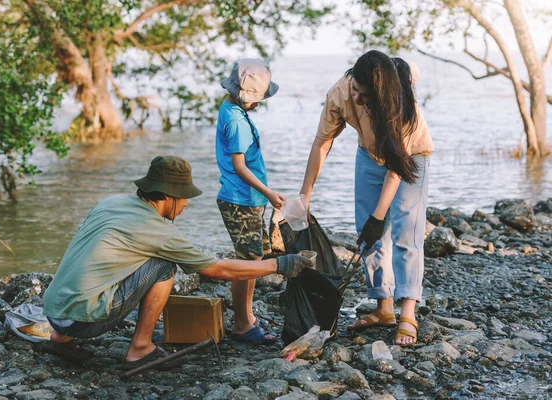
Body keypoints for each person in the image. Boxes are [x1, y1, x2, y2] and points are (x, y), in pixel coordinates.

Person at [42, 156, 311, 368]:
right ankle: (140, 348)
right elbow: (218, 269)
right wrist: (279, 265)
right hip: (83, 322)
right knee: (163, 266)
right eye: (184, 197)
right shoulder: (159, 231)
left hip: (54, 310)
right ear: (169, 196)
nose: (186, 205)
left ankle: (60, 340)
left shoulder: (111, 203)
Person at [299, 50, 434, 346]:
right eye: (355, 89)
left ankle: (408, 313)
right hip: (369, 154)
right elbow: (322, 143)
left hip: (409, 157)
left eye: (364, 95)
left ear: (381, 95)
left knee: (404, 232)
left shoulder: (401, 107)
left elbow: (395, 172)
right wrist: (305, 195)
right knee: (367, 233)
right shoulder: (340, 92)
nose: (357, 98)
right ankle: (383, 308)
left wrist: (379, 216)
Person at [215, 58, 286, 344]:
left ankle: (247, 316)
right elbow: (241, 168)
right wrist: (269, 193)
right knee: (247, 262)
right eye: (257, 99)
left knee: (253, 258)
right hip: (240, 199)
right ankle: (242, 324)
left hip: (248, 198)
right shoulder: (235, 121)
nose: (259, 103)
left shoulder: (232, 109)